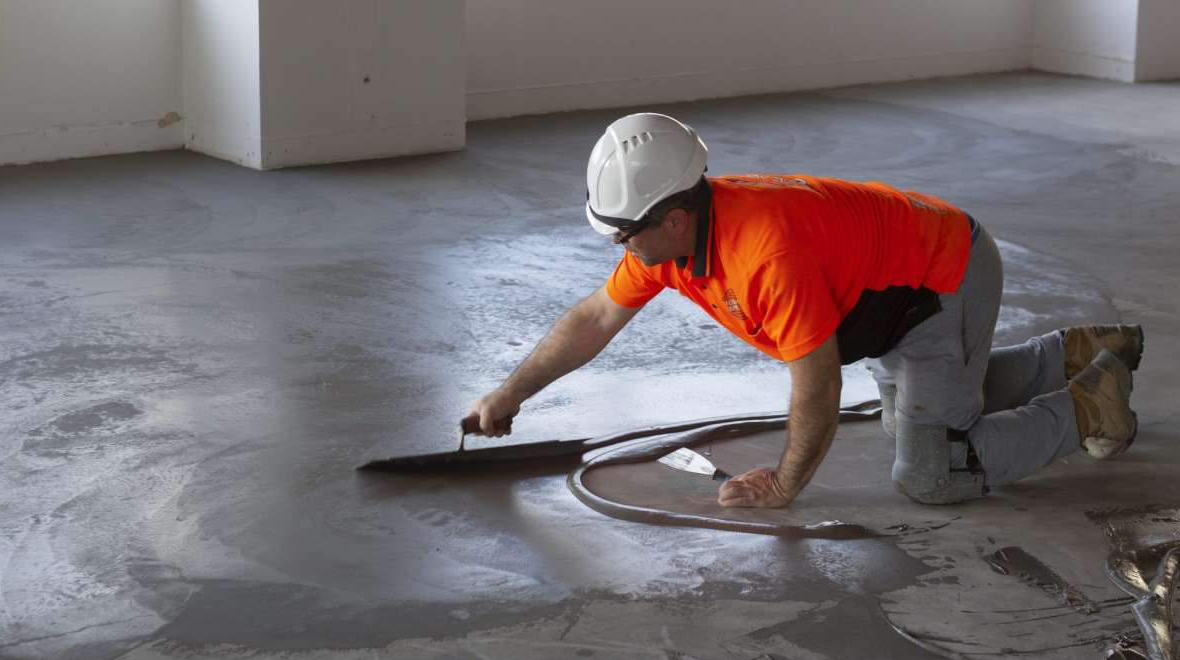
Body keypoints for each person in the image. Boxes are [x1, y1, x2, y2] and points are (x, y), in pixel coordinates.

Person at [467, 112, 1143, 508]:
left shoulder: (764, 255)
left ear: (674, 217)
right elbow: (593, 319)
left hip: (941, 281)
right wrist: (509, 394)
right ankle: (1075, 352)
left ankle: (1093, 403)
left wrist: (785, 482)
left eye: (623, 232)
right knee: (911, 414)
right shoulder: (669, 245)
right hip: (895, 293)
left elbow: (817, 383)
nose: (620, 247)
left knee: (934, 472)